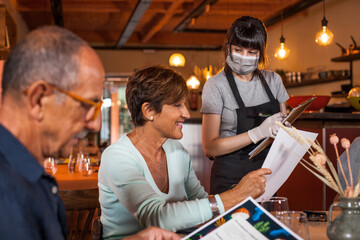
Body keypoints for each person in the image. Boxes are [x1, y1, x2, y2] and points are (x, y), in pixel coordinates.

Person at [0, 26, 179, 240]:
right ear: (39, 100)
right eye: (87, 105)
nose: (94, 125)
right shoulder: (7, 190)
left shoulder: (29, 175)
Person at [98, 65, 272, 239]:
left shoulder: (177, 150)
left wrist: (240, 200)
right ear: (148, 111)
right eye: (177, 105)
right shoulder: (117, 157)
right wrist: (235, 195)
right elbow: (156, 218)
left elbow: (201, 202)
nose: (187, 114)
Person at [201, 16, 289, 194]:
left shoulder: (274, 81)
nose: (244, 57)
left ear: (261, 52)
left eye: (251, 52)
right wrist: (257, 133)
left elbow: (283, 123)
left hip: (267, 177)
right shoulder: (216, 85)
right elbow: (209, 147)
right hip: (231, 180)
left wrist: (285, 130)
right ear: (228, 48)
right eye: (238, 50)